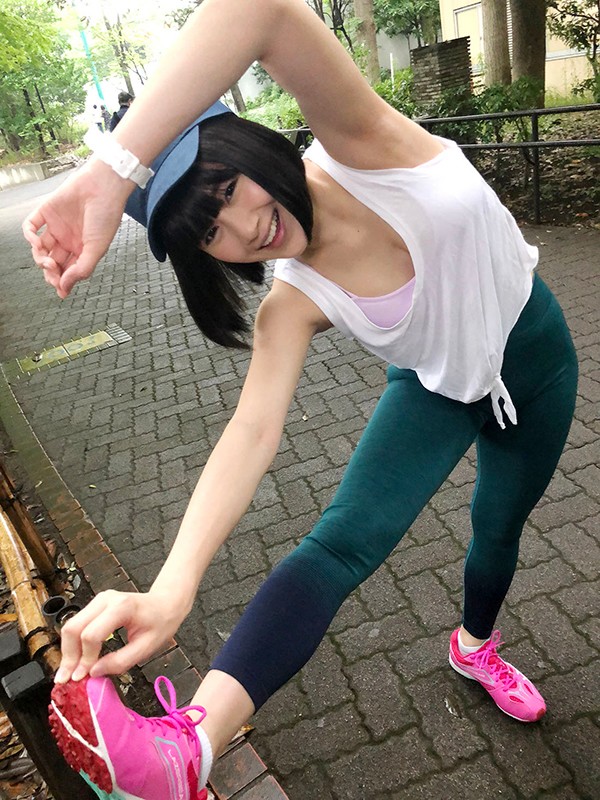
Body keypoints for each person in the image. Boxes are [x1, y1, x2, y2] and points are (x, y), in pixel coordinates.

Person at [23, 1, 578, 798]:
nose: (243, 226)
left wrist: (109, 173)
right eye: (210, 230)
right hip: (436, 388)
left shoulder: (363, 145)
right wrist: (174, 587)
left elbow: (260, 9)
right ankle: (189, 749)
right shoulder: (291, 302)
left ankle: (474, 647)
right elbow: (251, 431)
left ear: (254, 144)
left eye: (228, 186)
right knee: (341, 540)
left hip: (538, 366)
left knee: (498, 526)